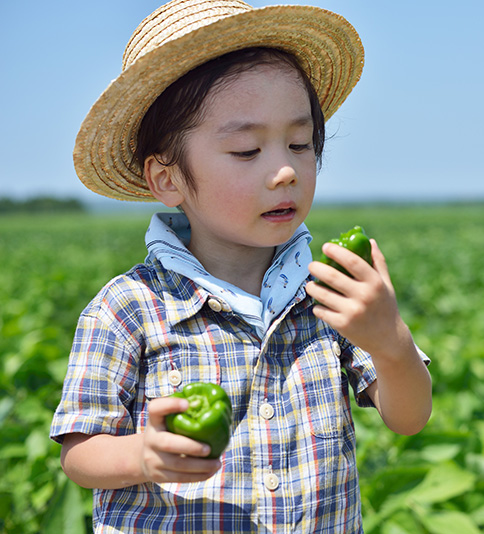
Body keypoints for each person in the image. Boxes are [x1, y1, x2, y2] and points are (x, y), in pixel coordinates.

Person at [49, 1, 432, 532]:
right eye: (248, 150)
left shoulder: (329, 291)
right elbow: (79, 453)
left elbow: (408, 417)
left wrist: (390, 342)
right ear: (167, 179)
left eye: (300, 144)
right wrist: (143, 454)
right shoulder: (127, 309)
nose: (284, 171)